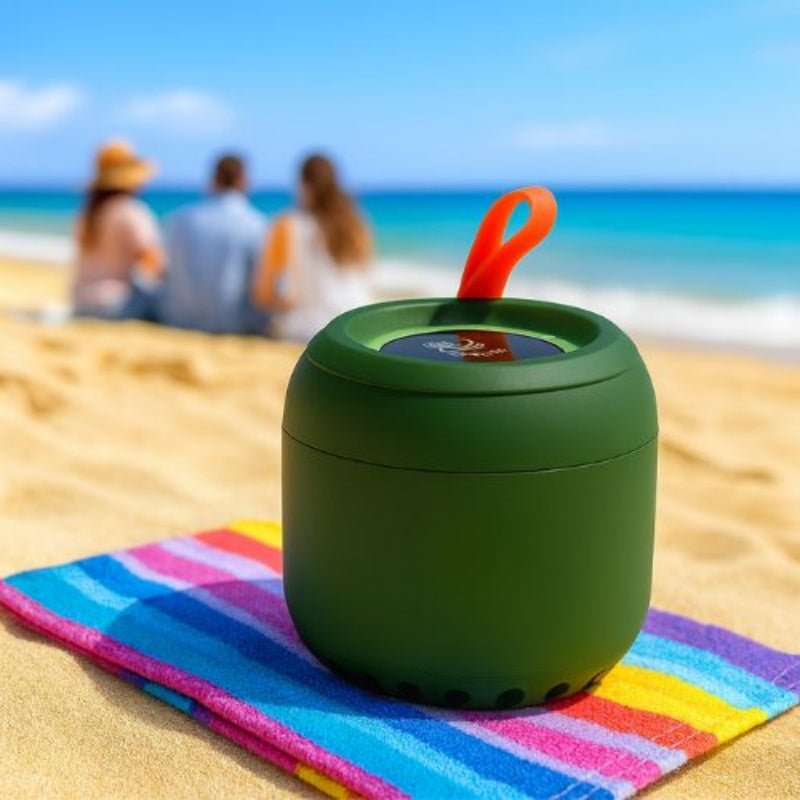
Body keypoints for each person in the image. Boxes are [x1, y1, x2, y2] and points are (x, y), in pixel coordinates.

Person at [252, 154, 373, 341]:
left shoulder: (288, 225)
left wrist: (289, 303)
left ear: (302, 185)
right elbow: (364, 272)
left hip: (311, 329)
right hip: (358, 322)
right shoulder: (355, 223)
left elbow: (262, 294)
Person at [158, 154, 268, 334]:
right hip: (233, 325)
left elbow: (165, 269)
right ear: (243, 180)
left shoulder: (180, 219)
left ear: (214, 180)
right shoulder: (255, 223)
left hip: (178, 320)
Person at [72, 140, 163, 319]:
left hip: (80, 300)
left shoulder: (88, 213)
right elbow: (153, 261)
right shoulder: (130, 210)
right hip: (115, 302)